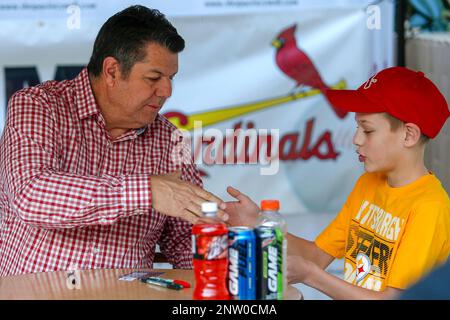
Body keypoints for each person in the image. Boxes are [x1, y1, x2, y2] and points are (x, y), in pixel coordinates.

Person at [0, 5, 227, 276]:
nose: (167, 91)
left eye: (171, 78)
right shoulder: (39, 106)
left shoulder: (170, 140)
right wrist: (148, 192)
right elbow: (30, 194)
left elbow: (183, 241)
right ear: (111, 71)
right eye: (154, 78)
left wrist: (225, 228)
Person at [222, 66, 450, 299]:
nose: (356, 139)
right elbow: (317, 256)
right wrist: (257, 222)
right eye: (356, 127)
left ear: (409, 135)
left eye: (368, 131)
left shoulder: (429, 207)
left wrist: (311, 276)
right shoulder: (368, 183)